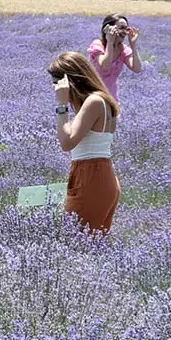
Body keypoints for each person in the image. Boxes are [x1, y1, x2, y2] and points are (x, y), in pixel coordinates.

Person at [49, 52, 121, 234]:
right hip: (98, 176)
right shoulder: (99, 101)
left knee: (76, 244)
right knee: (92, 247)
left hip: (91, 178)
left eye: (57, 83)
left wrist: (62, 105)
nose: (55, 88)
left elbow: (67, 142)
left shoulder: (94, 102)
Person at [87, 14, 141, 99]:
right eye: (121, 28)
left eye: (126, 28)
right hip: (92, 96)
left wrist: (133, 45)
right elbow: (105, 66)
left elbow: (137, 69)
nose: (124, 32)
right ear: (109, 29)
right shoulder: (98, 45)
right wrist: (110, 42)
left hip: (112, 98)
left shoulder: (123, 49)